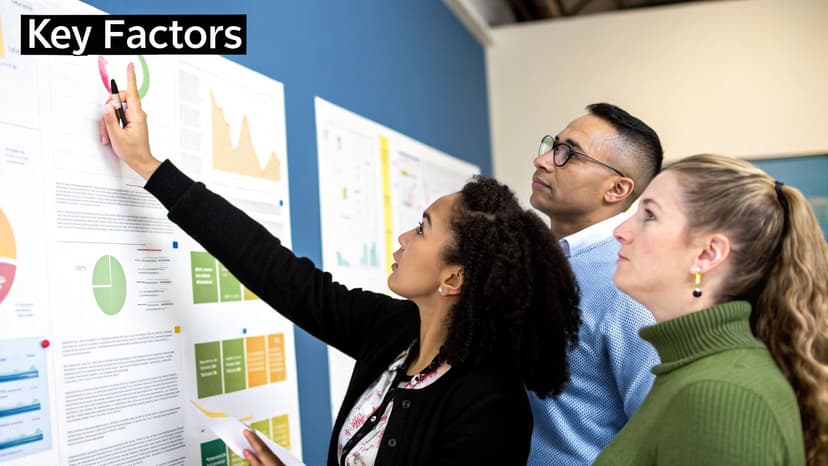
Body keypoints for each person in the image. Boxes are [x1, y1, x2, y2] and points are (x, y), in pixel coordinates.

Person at [99, 64, 582, 466]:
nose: (403, 237)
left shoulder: (490, 407)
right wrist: (148, 166)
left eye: (423, 228)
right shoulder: (393, 332)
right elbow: (277, 272)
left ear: (454, 277)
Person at [594, 153, 828, 465]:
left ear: (708, 254)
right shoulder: (691, 373)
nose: (620, 231)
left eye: (649, 215)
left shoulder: (719, 394)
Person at [527, 103, 663, 465]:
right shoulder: (538, 263)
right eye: (552, 146)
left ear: (617, 188)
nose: (543, 161)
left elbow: (655, 435)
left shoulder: (629, 284)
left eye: (568, 154)